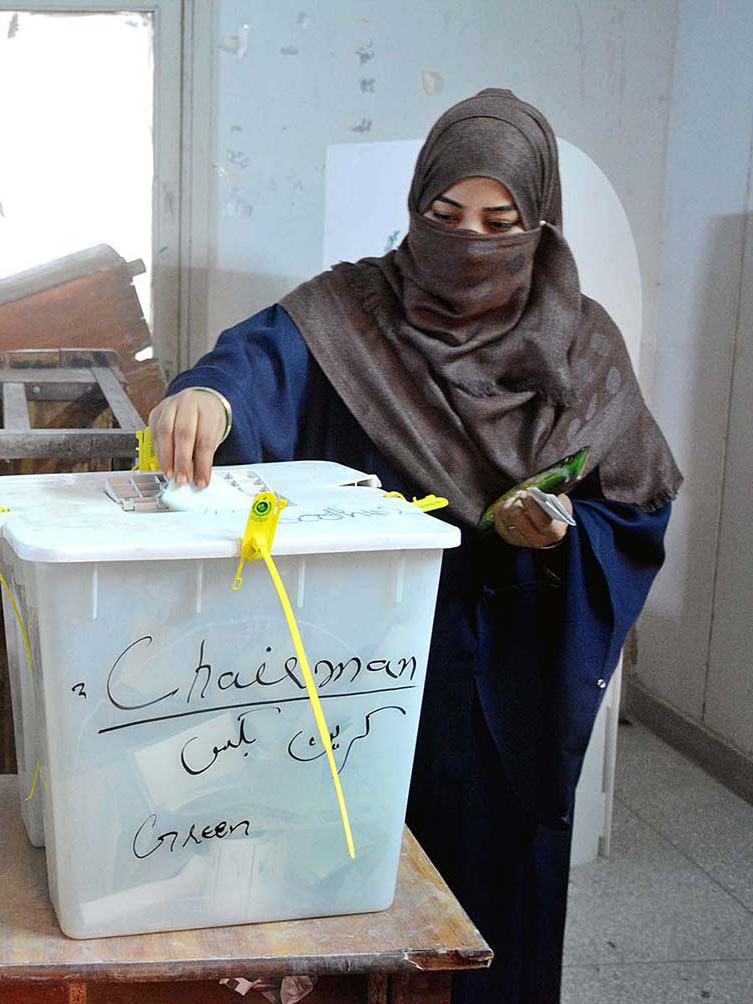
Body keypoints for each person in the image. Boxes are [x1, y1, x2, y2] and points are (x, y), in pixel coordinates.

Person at [150, 89, 682, 1004]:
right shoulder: (352, 314)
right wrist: (210, 394)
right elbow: (260, 361)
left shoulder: (584, 347)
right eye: (445, 216)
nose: (468, 241)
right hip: (351, 670)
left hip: (503, 692)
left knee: (486, 925)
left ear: (537, 222)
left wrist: (559, 533)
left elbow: (633, 505)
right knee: (348, 903)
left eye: (498, 221)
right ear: (415, 206)